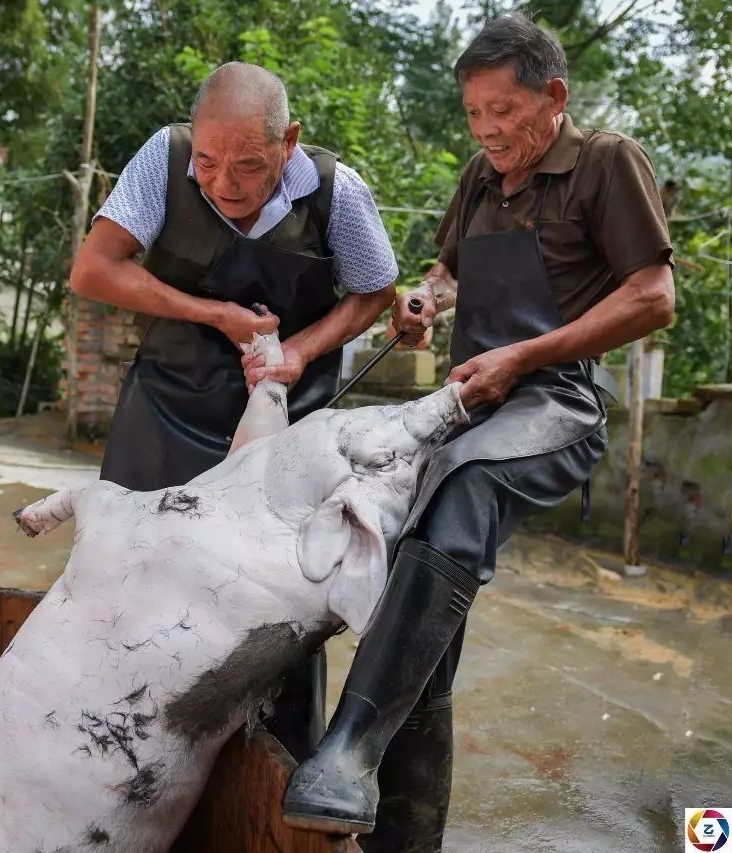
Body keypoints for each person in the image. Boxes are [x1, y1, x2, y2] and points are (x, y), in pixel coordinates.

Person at [280, 14, 675, 852]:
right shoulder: (480, 177)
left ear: (553, 96)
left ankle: (347, 743)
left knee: (462, 486)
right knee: (419, 608)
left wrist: (524, 355)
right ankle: (403, 836)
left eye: (503, 110)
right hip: (471, 403)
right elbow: (451, 269)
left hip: (556, 401)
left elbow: (652, 294)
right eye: (474, 114)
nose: (488, 129)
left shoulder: (605, 162)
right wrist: (428, 301)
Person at [71, 62, 400, 754]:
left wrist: (301, 351)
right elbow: (94, 269)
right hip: (166, 406)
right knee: (133, 576)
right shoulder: (162, 159)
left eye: (249, 166)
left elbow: (374, 288)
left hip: (288, 416)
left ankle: (278, 762)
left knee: (280, 598)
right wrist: (213, 313)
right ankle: (120, 747)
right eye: (210, 162)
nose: (224, 185)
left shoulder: (338, 191)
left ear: (290, 142)